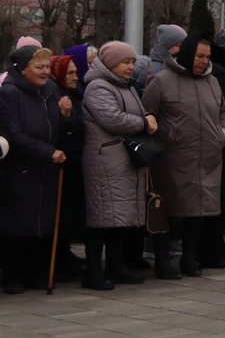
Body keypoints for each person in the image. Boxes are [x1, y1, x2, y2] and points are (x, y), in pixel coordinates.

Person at [142, 36, 225, 279]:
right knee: (169, 210)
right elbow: (148, 112)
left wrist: (222, 135)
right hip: (174, 157)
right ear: (187, 54)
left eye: (207, 57)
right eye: (199, 56)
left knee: (199, 211)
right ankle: (163, 260)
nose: (204, 61)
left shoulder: (212, 82)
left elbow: (224, 112)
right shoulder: (162, 80)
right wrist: (167, 135)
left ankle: (189, 258)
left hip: (208, 158)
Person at [80, 40, 155, 288]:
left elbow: (139, 112)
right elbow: (112, 119)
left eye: (133, 62)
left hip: (123, 161)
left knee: (118, 219)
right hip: (105, 162)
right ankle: (93, 271)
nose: (131, 67)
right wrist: (144, 123)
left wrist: (147, 117)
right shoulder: (97, 87)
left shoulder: (127, 87)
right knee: (101, 219)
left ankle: (116, 266)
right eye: (126, 62)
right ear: (111, 63)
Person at [0, 46, 71, 294]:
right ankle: (13, 276)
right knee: (17, 222)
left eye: (47, 67)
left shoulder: (51, 91)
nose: (45, 72)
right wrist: (46, 151)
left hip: (46, 168)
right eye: (39, 67)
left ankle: (37, 272)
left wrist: (64, 115)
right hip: (20, 167)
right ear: (23, 69)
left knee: (42, 220)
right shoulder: (9, 93)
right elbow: (15, 134)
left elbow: (56, 127)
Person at [47, 52, 86, 278]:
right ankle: (59, 258)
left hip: (75, 160)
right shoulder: (56, 95)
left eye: (75, 72)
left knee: (69, 213)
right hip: (62, 161)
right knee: (60, 214)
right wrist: (66, 116)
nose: (75, 76)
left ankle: (65, 253)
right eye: (70, 72)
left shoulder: (74, 93)